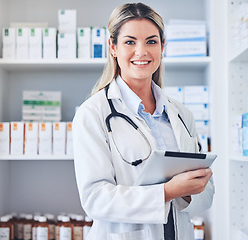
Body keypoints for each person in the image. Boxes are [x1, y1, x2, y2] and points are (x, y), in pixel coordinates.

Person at [72, 3, 214, 240]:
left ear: (162, 47)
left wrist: (191, 190)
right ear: (113, 47)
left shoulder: (181, 114)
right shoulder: (93, 113)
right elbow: (95, 199)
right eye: (130, 42)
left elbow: (206, 197)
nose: (141, 51)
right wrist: (168, 191)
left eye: (151, 41)